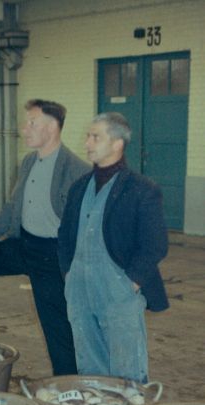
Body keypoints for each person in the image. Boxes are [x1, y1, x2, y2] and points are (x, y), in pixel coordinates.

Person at [0, 99, 89, 375]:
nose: (24, 129)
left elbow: (85, 228)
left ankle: (67, 385)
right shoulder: (28, 162)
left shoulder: (77, 171)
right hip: (23, 244)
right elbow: (13, 207)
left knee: (57, 328)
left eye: (31, 122)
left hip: (53, 255)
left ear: (50, 127)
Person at [58, 112, 169, 383]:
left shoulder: (142, 190)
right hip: (80, 289)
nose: (87, 143)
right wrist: (69, 275)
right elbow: (64, 237)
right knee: (90, 366)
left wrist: (129, 283)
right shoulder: (79, 187)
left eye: (95, 136)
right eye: (88, 136)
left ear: (118, 143)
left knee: (127, 370)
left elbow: (155, 245)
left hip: (119, 290)